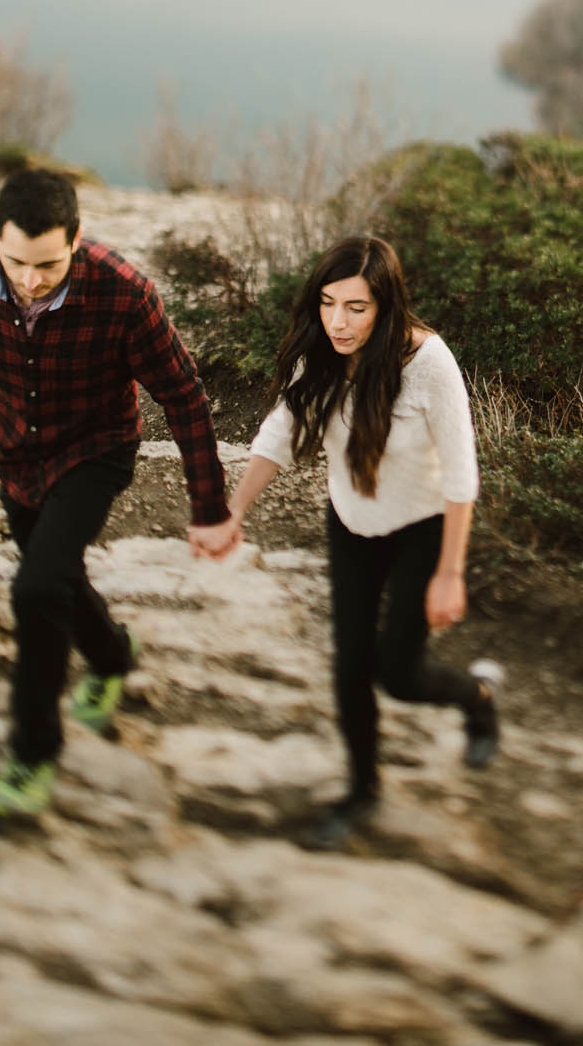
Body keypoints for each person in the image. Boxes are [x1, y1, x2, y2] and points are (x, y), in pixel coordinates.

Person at [0, 168, 239, 816]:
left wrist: (208, 507)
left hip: (95, 451)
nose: (29, 279)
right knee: (57, 577)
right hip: (16, 459)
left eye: (48, 264)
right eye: (17, 261)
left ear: (76, 239)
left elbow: (183, 394)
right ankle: (112, 653)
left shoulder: (124, 291)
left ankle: (31, 753)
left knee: (38, 587)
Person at [226, 234, 499, 848]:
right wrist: (233, 511)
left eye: (356, 307)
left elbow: (461, 476)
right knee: (351, 667)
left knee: (398, 675)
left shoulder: (428, 363)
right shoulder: (320, 354)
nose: (338, 322)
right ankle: (362, 790)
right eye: (327, 304)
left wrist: (450, 572)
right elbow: (280, 431)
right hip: (351, 523)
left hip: (421, 530)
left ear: (385, 305)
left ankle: (478, 697)